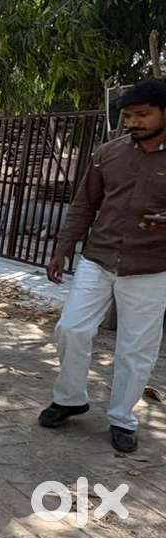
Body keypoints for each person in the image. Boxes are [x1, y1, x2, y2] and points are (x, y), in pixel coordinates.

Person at [40, 79, 166, 453]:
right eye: (128, 116)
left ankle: (122, 418)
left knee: (136, 349)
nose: (133, 122)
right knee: (71, 329)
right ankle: (70, 398)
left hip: (150, 269)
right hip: (98, 259)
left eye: (142, 114)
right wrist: (63, 248)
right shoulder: (107, 153)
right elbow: (84, 204)